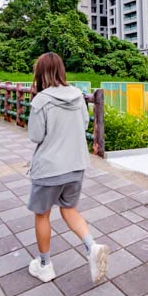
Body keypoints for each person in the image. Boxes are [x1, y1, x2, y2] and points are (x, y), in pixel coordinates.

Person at [26, 52, 109, 283]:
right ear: (62, 71)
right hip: (75, 166)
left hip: (49, 169)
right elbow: (84, 124)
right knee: (69, 210)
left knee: (42, 215)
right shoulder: (77, 96)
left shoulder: (40, 101)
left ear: (40, 73)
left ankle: (44, 265)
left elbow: (35, 136)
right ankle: (92, 247)